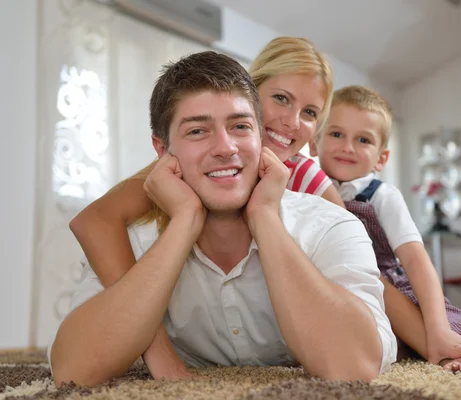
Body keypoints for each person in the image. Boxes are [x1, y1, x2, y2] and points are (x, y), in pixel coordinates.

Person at [48, 52, 396, 386]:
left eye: (240, 126)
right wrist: (184, 222)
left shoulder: (331, 226)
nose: (225, 147)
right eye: (198, 131)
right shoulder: (135, 240)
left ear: (261, 136)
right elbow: (73, 371)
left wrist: (265, 218)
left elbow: (355, 365)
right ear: (162, 149)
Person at [310, 85, 461, 371]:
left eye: (363, 140)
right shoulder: (309, 193)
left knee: (458, 339)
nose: (347, 147)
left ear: (381, 158)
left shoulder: (382, 196)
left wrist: (438, 326)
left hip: (393, 291)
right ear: (314, 142)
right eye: (336, 134)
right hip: (346, 293)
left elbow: (416, 261)